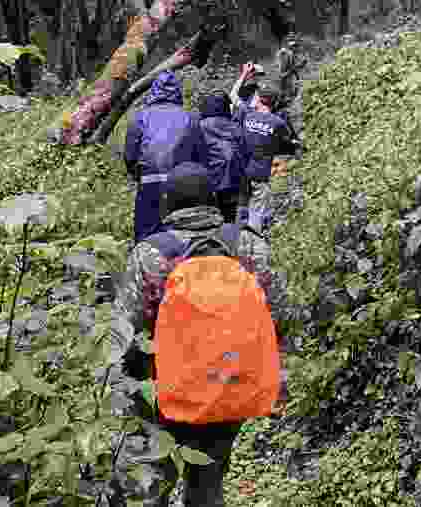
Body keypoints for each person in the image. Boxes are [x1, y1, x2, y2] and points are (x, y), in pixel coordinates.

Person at [107, 164, 287, 507]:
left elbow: (123, 335)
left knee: (154, 481)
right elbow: (281, 314)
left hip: (168, 393)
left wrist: (130, 387)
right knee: (208, 480)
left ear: (168, 204)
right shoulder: (246, 244)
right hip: (231, 385)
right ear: (212, 200)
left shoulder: (150, 254)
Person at [124, 70, 206, 243]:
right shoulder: (190, 118)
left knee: (147, 234)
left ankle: (145, 265)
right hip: (183, 184)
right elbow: (201, 157)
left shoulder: (140, 117)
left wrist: (138, 175)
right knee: (181, 232)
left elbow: (130, 155)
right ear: (177, 92)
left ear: (153, 90)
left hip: (150, 181)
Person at [233, 83, 297, 237]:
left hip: (241, 169)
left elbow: (234, 98)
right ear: (275, 102)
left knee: (240, 208)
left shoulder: (246, 114)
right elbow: (288, 143)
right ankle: (251, 244)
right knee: (256, 213)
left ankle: (233, 240)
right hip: (260, 173)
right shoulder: (278, 123)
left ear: (259, 99)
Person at [197, 90, 246, 224]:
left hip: (209, 181)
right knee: (229, 219)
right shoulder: (236, 127)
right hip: (233, 181)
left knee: (209, 220)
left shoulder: (200, 127)